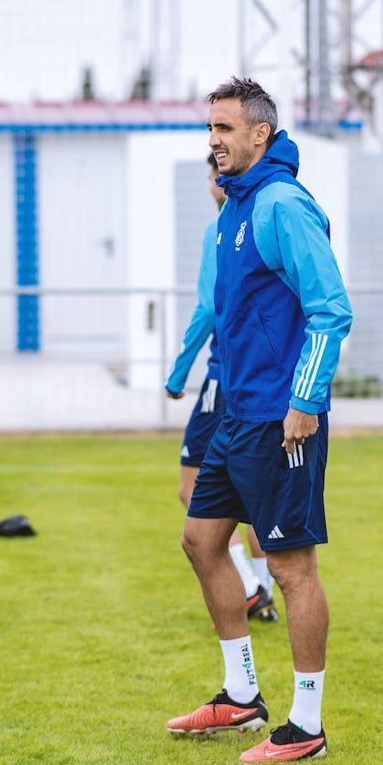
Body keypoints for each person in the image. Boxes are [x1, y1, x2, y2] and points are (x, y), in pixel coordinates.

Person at [165, 77, 352, 764]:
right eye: (208, 128)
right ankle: (241, 695)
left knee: (291, 566)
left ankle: (307, 726)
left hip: (281, 419)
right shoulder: (232, 211)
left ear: (258, 135)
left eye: (223, 128)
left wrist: (306, 401)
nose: (212, 141)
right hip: (235, 416)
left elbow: (331, 309)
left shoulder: (281, 204)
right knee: (200, 540)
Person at [165, 152, 276, 624]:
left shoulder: (225, 230)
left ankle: (250, 588)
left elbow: (208, 309)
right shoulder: (253, 220)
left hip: (223, 378)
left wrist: (177, 373)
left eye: (218, 172)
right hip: (256, 381)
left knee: (193, 490)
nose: (216, 181)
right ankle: (261, 589)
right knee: (252, 500)